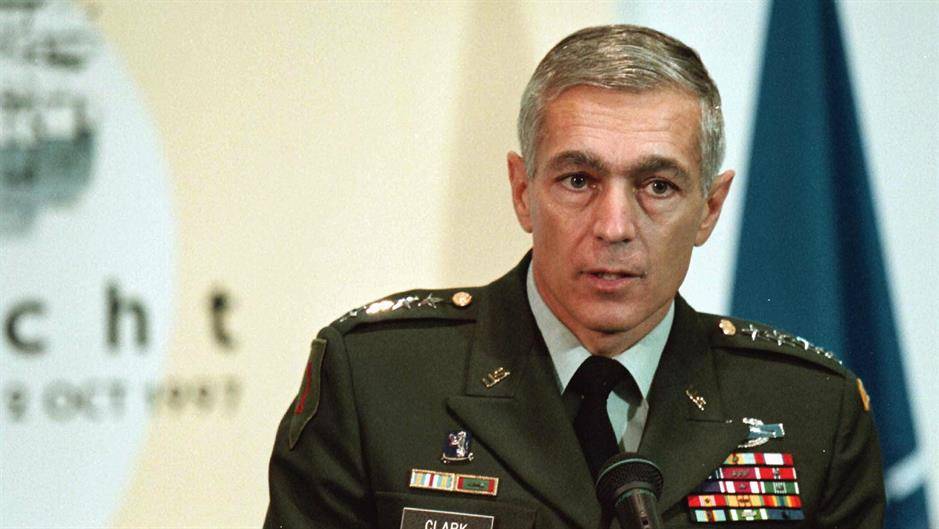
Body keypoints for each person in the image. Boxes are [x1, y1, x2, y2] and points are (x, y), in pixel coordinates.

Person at [264, 25, 884, 529]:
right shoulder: (376, 383)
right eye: (579, 180)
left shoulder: (811, 410)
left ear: (709, 209)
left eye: (657, 186)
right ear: (522, 191)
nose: (614, 226)